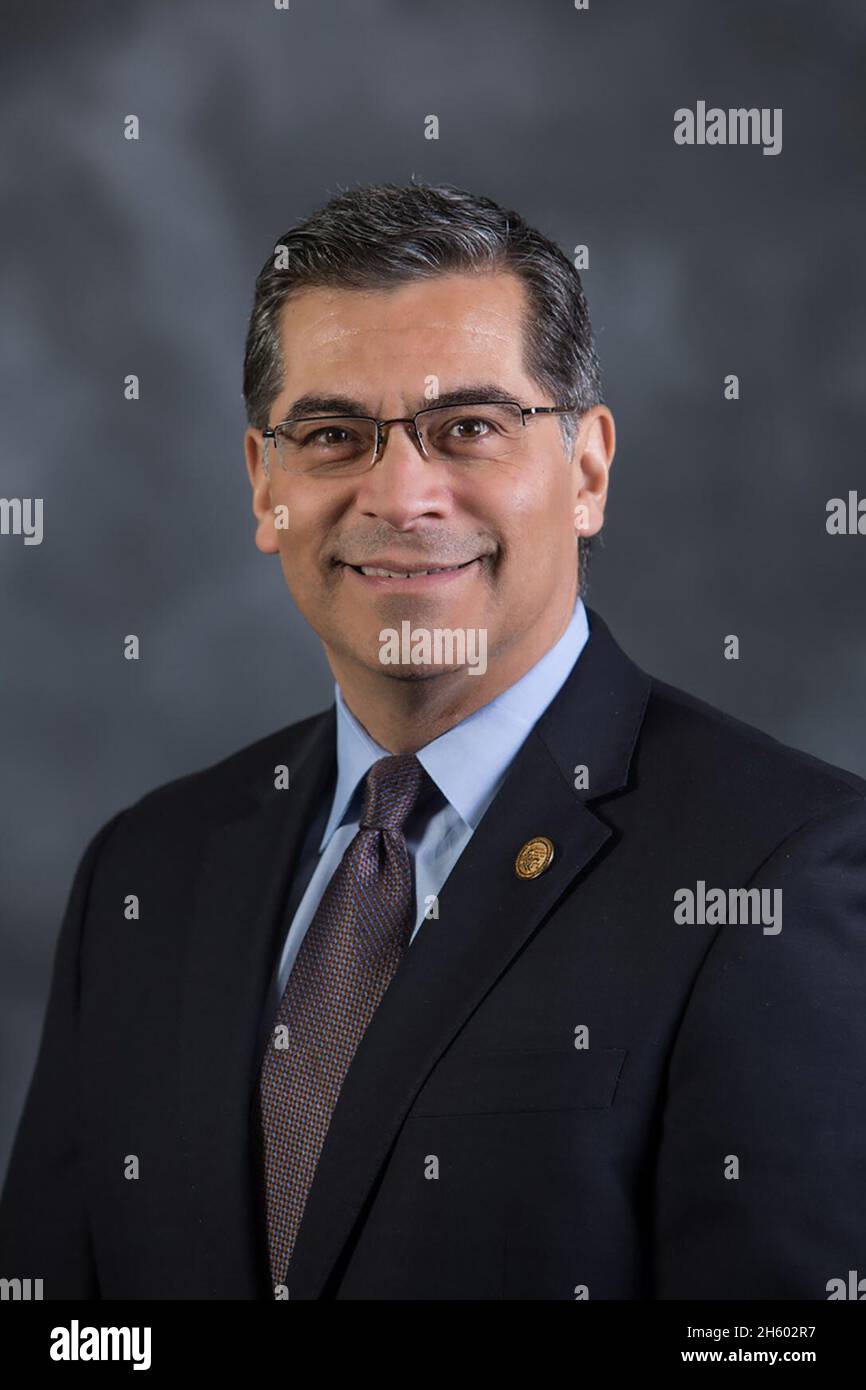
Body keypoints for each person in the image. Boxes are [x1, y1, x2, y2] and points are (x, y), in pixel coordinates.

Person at [2, 181, 864, 1301]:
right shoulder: (147, 870)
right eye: (331, 434)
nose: (401, 493)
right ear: (264, 484)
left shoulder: (778, 871)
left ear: (586, 469)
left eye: (467, 427)